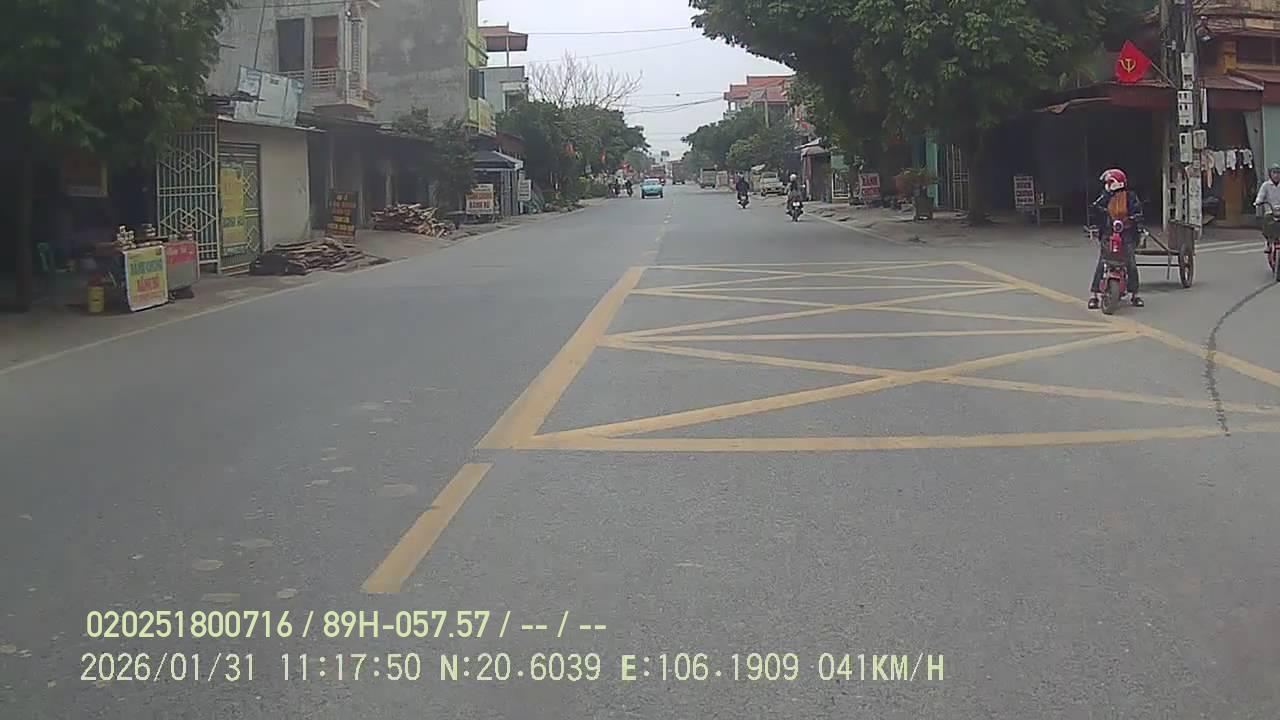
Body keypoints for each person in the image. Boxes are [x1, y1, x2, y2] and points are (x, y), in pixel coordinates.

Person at [1088, 168, 1143, 309]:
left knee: (1130, 262)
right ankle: (1094, 295)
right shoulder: (1105, 196)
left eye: (1109, 183)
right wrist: (1107, 196)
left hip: (1127, 234)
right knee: (1102, 262)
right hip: (1108, 233)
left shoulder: (1130, 196)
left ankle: (1135, 294)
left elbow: (1138, 212)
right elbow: (1095, 208)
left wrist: (1133, 219)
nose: (1107, 185)